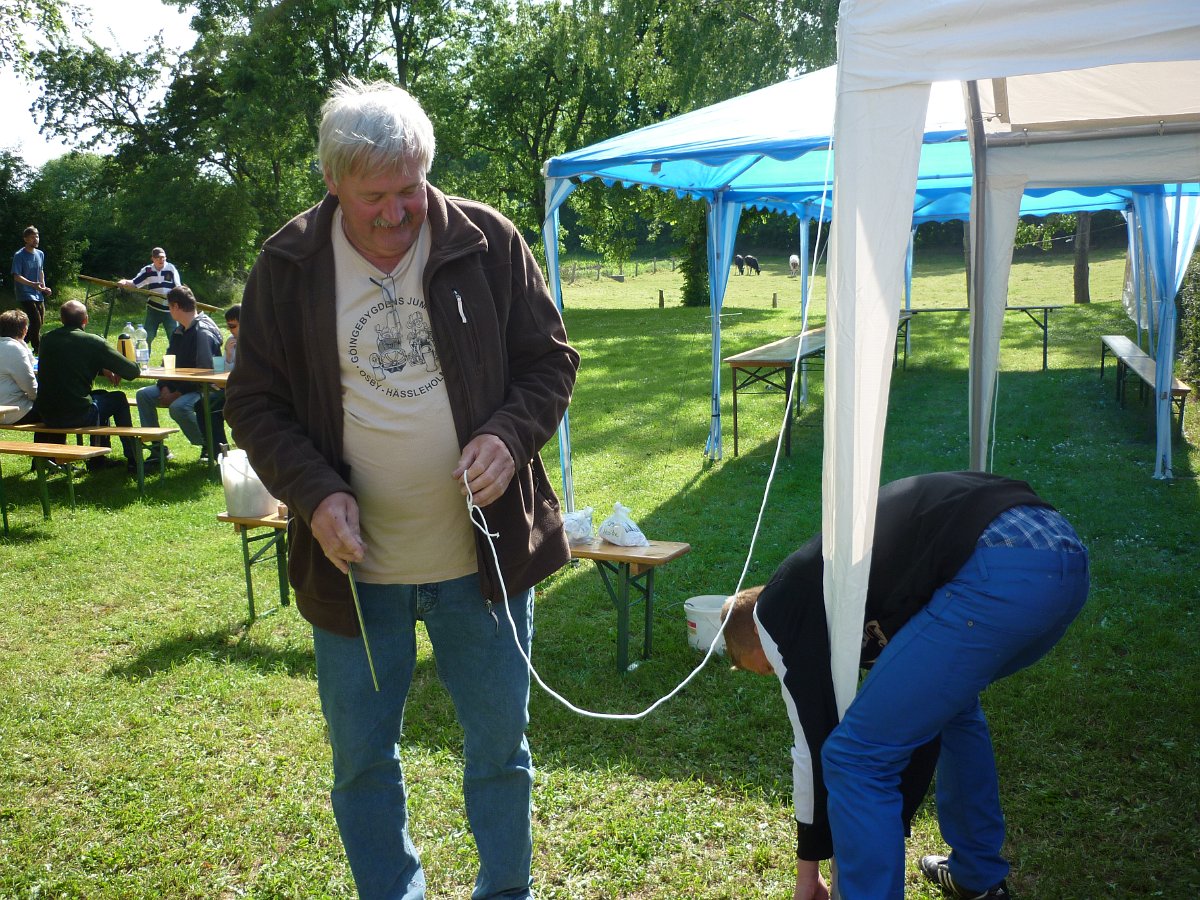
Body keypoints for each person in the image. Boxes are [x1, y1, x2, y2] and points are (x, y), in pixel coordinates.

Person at [223, 79, 579, 900]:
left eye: (411, 187)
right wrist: (314, 494)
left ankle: (506, 891)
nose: (396, 212)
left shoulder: (486, 240)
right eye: (374, 195)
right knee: (360, 763)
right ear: (332, 183)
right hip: (353, 573)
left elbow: (550, 360)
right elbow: (254, 400)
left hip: (481, 564)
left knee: (499, 750)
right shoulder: (288, 264)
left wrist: (505, 435)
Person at [722, 471, 1090, 900]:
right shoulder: (832, 591)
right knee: (953, 711)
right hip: (1059, 556)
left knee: (855, 759)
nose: (774, 673)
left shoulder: (776, 612)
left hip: (996, 562)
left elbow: (812, 748)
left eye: (764, 670)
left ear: (756, 645)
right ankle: (976, 872)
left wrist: (808, 872)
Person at [34, 300, 141, 472]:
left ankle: (98, 459)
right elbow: (132, 372)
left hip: (47, 414)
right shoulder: (93, 342)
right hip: (77, 414)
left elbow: (70, 363)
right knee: (118, 398)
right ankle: (134, 460)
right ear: (86, 319)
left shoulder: (47, 339)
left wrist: (100, 367)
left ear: (62, 319)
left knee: (102, 395)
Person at [134, 285, 224, 463]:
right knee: (143, 394)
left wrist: (177, 393)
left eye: (169, 306)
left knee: (179, 407)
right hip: (177, 385)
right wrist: (164, 386)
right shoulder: (179, 330)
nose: (169, 311)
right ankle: (157, 449)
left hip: (202, 389)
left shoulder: (202, 332)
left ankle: (209, 443)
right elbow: (167, 362)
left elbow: (205, 374)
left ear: (175, 306)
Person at [118, 246, 181, 348]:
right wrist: (124, 281)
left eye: (163, 257)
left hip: (170, 310)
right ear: (152, 258)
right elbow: (135, 282)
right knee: (147, 337)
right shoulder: (147, 270)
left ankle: (176, 362)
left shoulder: (171, 268)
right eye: (158, 258)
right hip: (153, 308)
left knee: (174, 337)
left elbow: (178, 287)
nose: (161, 260)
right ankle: (143, 362)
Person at [11, 225, 53, 352]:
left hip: (37, 292)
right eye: (32, 237)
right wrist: (32, 284)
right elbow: (16, 276)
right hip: (25, 292)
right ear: (26, 239)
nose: (36, 239)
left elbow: (41, 271)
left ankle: (22, 342)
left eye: (37, 236)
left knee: (40, 321)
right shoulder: (19, 255)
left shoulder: (40, 254)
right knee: (36, 320)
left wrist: (43, 287)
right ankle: (37, 348)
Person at [0, 309, 39, 424]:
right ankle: (47, 443)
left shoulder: (11, 345)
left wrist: (22, 344)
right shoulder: (14, 349)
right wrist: (37, 399)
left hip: (5, 406)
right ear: (24, 330)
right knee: (55, 411)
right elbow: (29, 385)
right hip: (11, 410)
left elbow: (31, 362)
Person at [222, 304, 240, 370]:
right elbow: (225, 372)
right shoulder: (231, 340)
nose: (228, 329)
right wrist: (228, 355)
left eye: (232, 326)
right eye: (228, 325)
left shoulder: (257, 342)